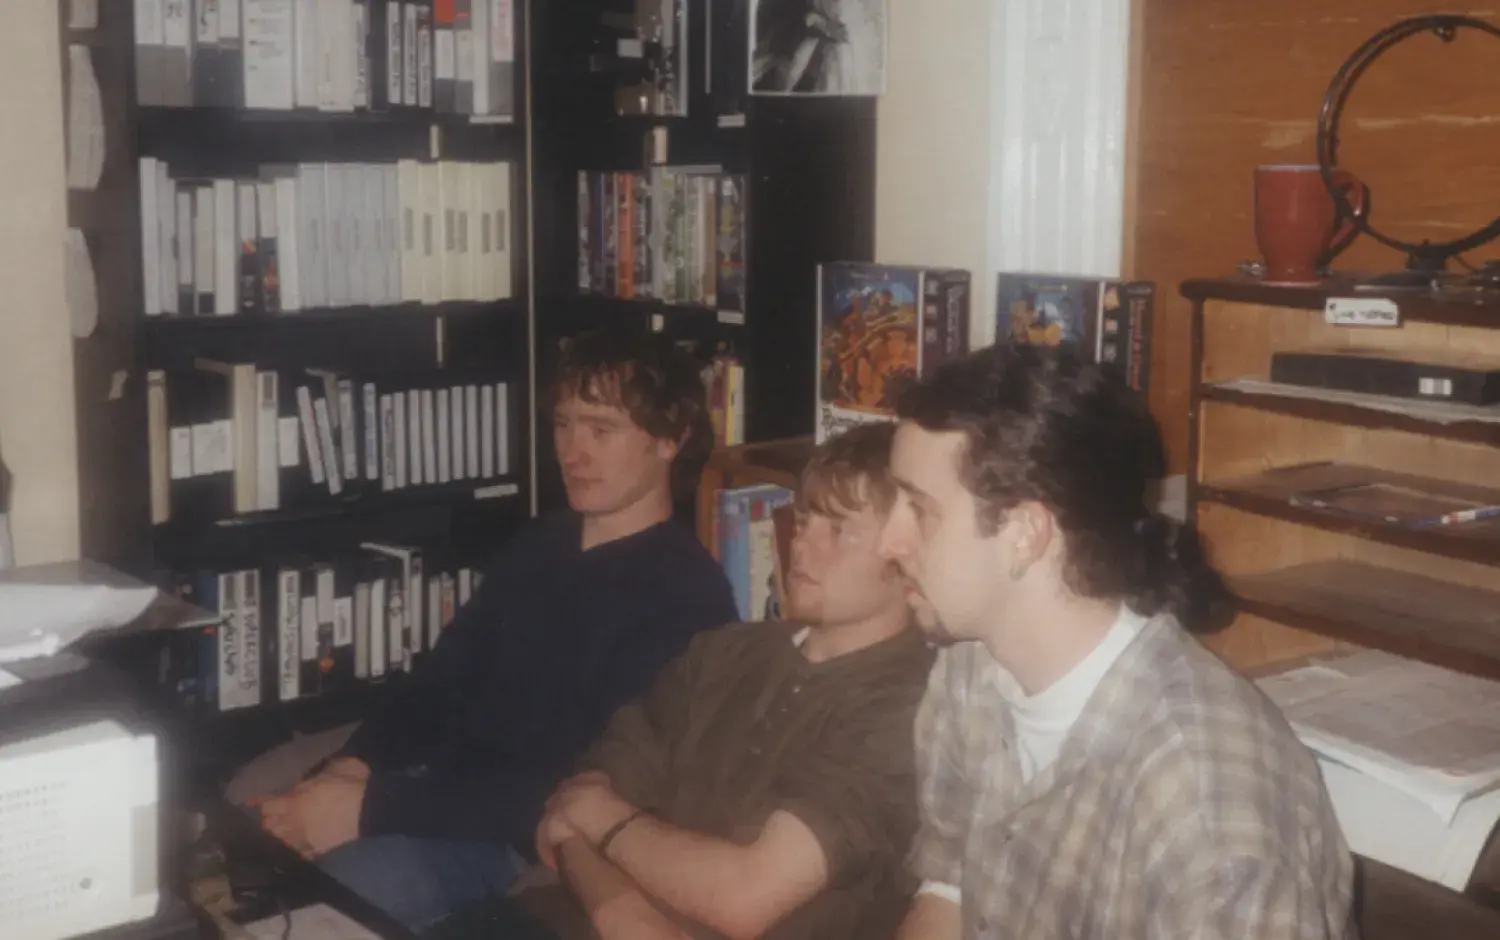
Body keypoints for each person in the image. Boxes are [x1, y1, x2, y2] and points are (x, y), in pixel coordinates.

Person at [243, 329, 739, 932]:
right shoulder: (544, 542)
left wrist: (368, 809)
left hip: (510, 833)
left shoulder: (686, 597)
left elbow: (580, 788)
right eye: (563, 424)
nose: (571, 452)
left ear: (670, 439)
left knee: (312, 904)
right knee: (243, 805)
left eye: (601, 430)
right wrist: (355, 765)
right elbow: (440, 679)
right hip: (431, 778)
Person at [877, 343, 1356, 940]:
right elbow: (947, 892)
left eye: (919, 509)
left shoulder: (1208, 814)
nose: (888, 542)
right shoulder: (970, 671)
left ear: (1025, 534)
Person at [494, 421, 935, 940]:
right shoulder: (723, 651)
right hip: (575, 916)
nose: (801, 543)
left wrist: (609, 823)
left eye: (838, 529)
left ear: (909, 556)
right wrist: (620, 912)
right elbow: (568, 814)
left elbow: (745, 898)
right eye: (807, 517)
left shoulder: (911, 705)